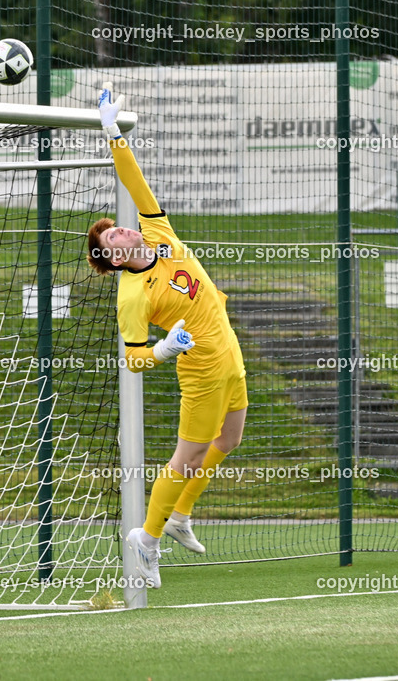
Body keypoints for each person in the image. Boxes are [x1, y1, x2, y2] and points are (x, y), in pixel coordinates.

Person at [86, 83, 248, 587]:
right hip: (199, 365)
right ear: (113, 258)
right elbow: (133, 359)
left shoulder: (158, 233)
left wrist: (112, 132)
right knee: (187, 457)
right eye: (113, 236)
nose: (123, 230)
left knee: (231, 437)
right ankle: (148, 540)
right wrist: (162, 348)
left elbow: (133, 180)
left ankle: (179, 518)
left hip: (228, 347)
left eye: (118, 227)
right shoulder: (132, 295)